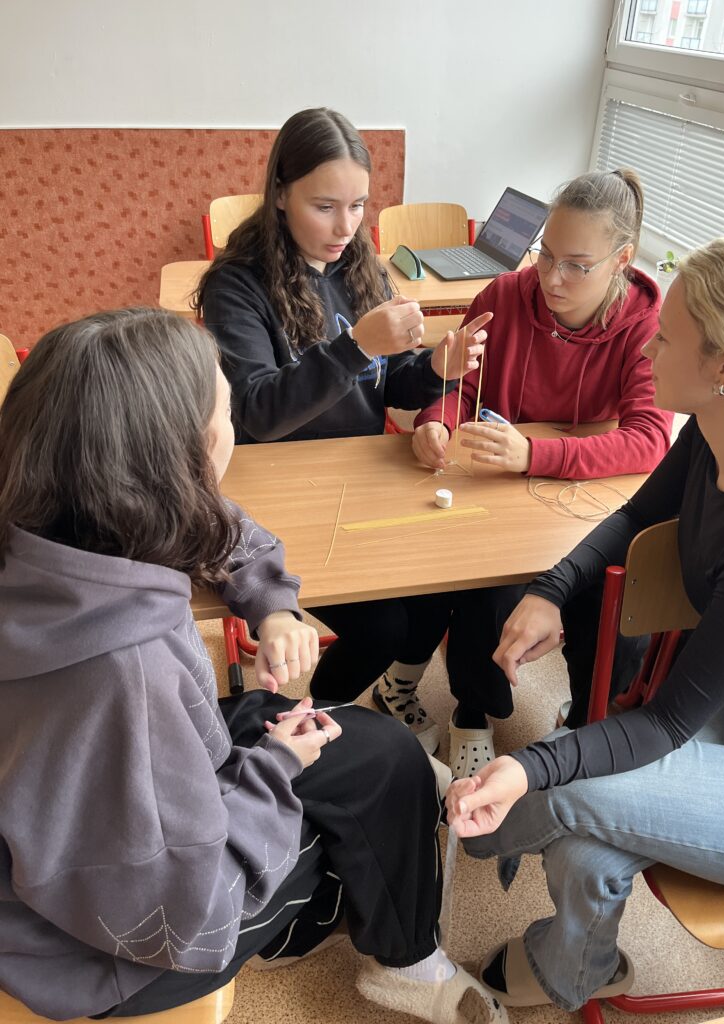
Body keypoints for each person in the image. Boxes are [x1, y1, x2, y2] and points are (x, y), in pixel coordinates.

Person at [0, 308, 503, 1024]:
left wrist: (271, 608)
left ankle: (365, 866)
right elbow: (186, 915)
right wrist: (276, 770)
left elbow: (221, 525)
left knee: (374, 753)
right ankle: (403, 957)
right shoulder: (126, 677)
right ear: (186, 457)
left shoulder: (58, 521)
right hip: (111, 952)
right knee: (365, 789)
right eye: (227, 414)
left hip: (81, 820)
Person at [445, 235, 724, 1011]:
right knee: (585, 839)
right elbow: (635, 517)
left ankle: (453, 831)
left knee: (564, 790)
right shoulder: (718, 428)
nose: (648, 346)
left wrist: (525, 771)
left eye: (667, 337)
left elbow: (662, 725)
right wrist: (552, 590)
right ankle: (581, 971)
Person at [197, 107, 489, 752]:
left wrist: (433, 369)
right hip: (279, 492)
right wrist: (355, 346)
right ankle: (308, 726)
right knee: (382, 627)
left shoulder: (362, 266)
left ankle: (375, 700)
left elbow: (390, 383)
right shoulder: (236, 286)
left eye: (358, 206)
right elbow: (256, 411)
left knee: (435, 591)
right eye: (324, 206)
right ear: (280, 194)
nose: (345, 226)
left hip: (357, 478)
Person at [408, 169, 673, 775]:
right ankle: (473, 711)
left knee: (614, 605)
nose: (552, 278)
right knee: (485, 591)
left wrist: (534, 455)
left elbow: (650, 439)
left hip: (579, 505)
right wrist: (436, 421)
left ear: (622, 259)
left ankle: (587, 723)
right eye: (546, 254)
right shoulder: (502, 296)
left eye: (577, 265)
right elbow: (459, 387)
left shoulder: (645, 325)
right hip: (499, 495)